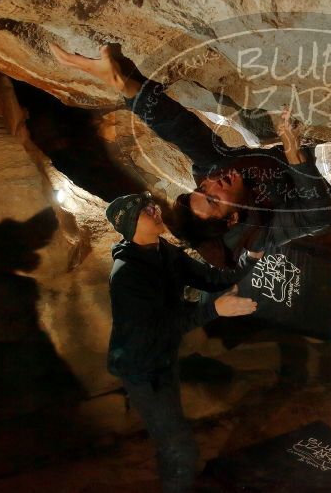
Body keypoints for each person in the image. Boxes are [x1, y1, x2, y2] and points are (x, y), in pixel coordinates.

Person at [51, 43, 331, 265]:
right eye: (213, 198)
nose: (212, 182)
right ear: (231, 218)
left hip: (280, 162)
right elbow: (314, 206)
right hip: (315, 204)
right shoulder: (266, 230)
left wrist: (123, 83)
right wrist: (291, 147)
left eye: (203, 187)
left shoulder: (215, 170)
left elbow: (179, 128)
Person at [104, 190, 262, 492]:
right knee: (180, 446)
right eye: (145, 210)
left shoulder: (163, 251)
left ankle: (176, 477)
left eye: (151, 205)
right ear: (130, 226)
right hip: (141, 369)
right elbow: (156, 328)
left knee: (172, 438)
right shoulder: (127, 276)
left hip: (163, 358)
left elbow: (209, 279)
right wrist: (215, 309)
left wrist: (249, 260)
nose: (155, 210)